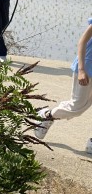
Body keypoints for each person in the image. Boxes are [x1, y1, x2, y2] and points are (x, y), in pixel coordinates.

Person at [34, 18, 92, 155]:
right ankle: (47, 115)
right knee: (77, 107)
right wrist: (82, 70)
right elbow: (82, 42)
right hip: (87, 68)